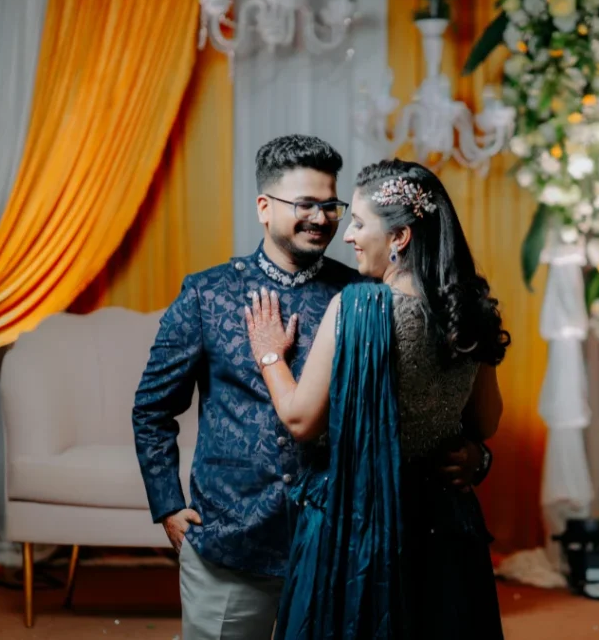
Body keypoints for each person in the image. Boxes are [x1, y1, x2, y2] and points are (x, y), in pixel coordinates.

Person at [132, 137, 493, 640]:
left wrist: (477, 457)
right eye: (306, 205)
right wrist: (168, 503)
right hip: (236, 539)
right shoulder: (208, 293)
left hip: (343, 546)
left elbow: (419, 405)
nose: (323, 219)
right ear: (264, 207)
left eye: (332, 205)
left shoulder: (365, 293)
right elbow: (152, 407)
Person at [245, 158, 509, 639]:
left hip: (360, 521)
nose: (348, 235)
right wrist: (471, 453)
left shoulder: (357, 308)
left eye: (360, 223)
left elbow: (302, 420)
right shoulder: (471, 313)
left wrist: (269, 357)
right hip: (442, 521)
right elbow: (485, 422)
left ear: (399, 239)